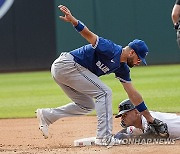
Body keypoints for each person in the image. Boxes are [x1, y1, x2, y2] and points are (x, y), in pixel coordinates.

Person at [36, 5, 168, 146]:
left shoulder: (122, 68)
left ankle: (47, 115)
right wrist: (74, 21)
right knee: (104, 93)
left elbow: (133, 94)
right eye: (139, 58)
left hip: (66, 71)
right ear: (131, 52)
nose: (139, 62)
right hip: (67, 65)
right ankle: (103, 137)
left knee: (86, 105)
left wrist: (150, 119)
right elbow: (89, 35)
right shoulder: (111, 49)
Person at [115, 99, 180, 140]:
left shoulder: (148, 119)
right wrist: (116, 136)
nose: (122, 118)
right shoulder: (136, 125)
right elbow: (125, 131)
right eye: (121, 116)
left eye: (125, 115)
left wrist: (128, 138)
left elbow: (153, 136)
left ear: (136, 112)